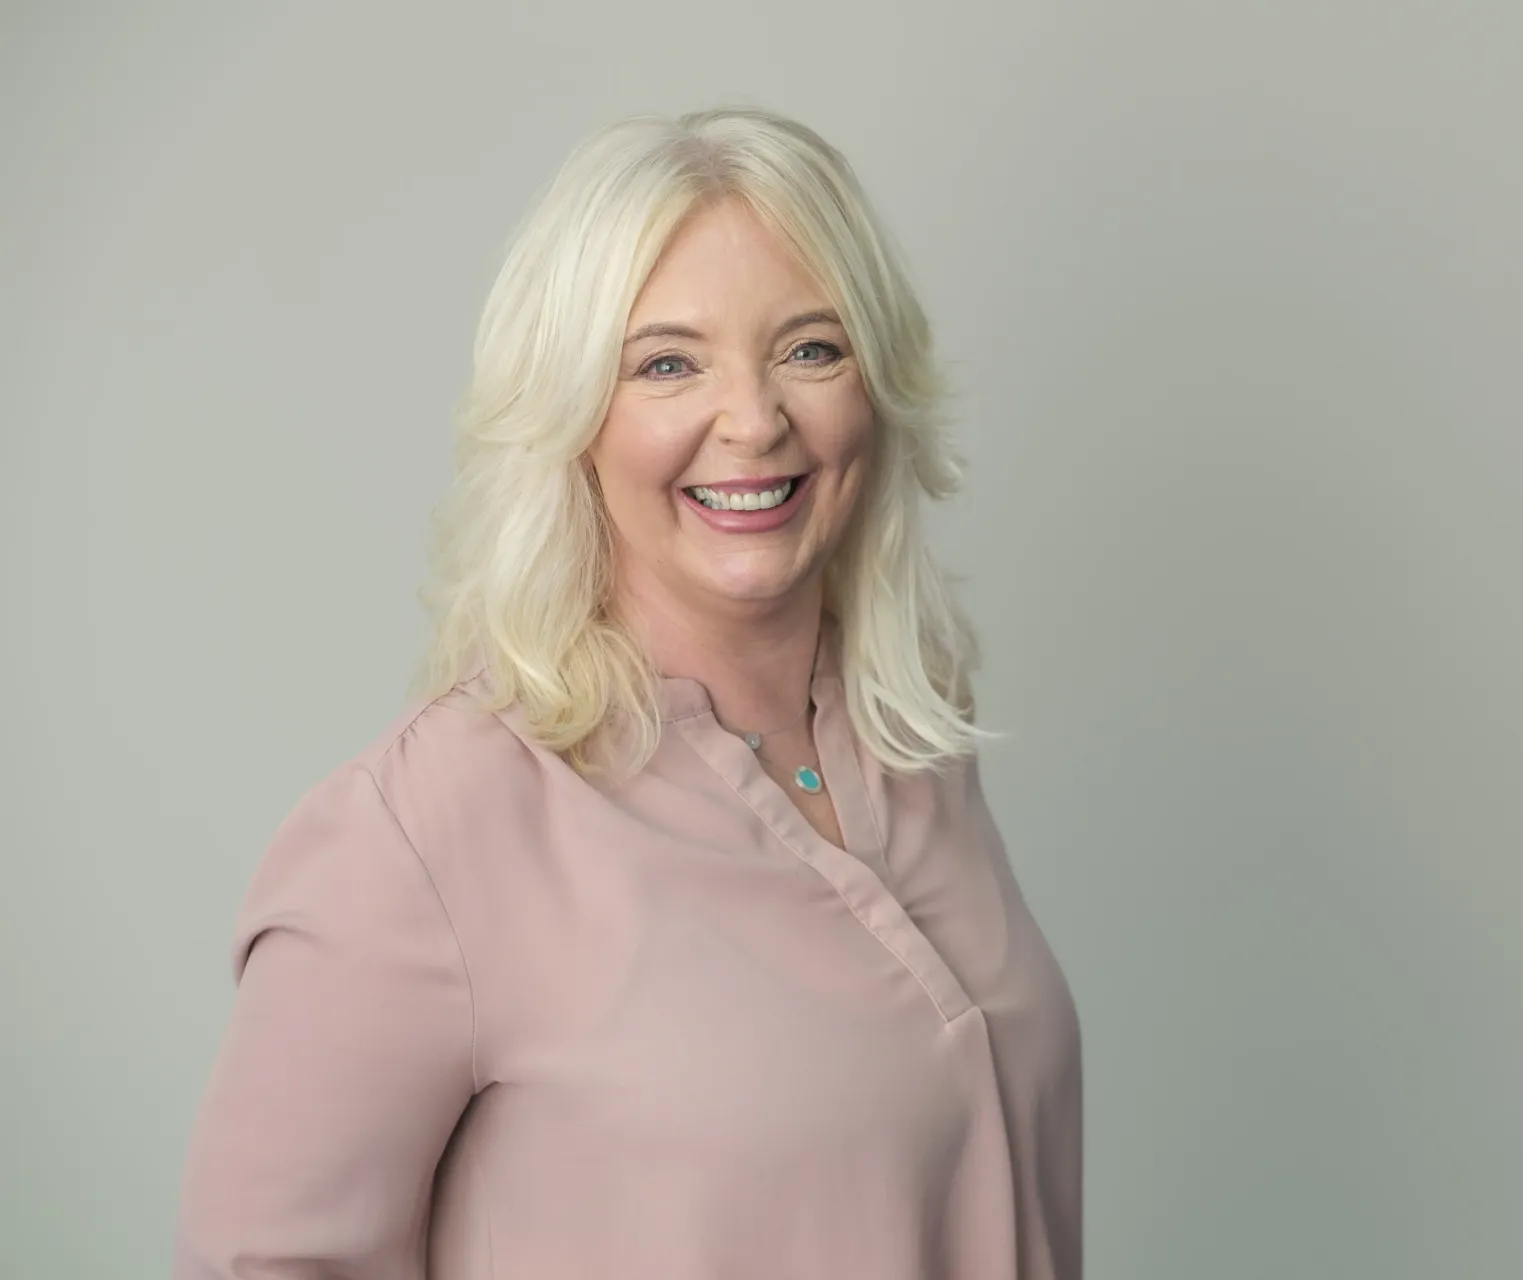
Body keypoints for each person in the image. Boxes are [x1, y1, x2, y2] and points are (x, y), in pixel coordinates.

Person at [173, 106, 1082, 1279]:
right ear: (569, 417)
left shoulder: (912, 743)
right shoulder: (429, 830)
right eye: (667, 363)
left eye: (812, 347)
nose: (754, 420)